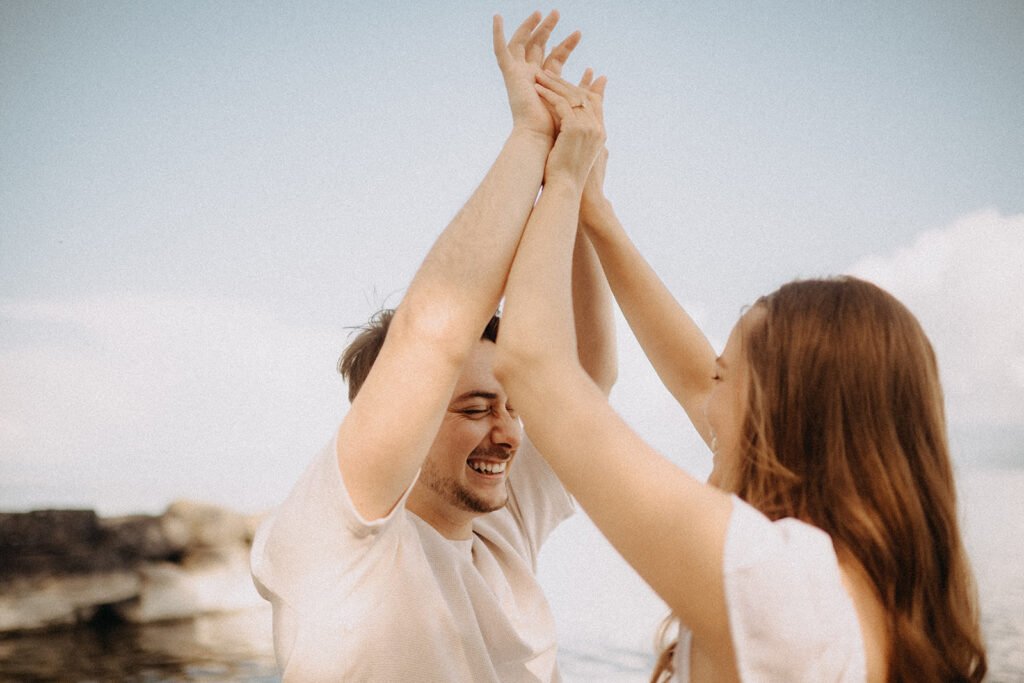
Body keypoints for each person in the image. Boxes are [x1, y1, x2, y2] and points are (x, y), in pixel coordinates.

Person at [494, 70, 987, 681]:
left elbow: (533, 365)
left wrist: (561, 176)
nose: (706, 396)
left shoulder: (777, 586)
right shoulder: (871, 581)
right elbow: (698, 380)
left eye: (728, 379)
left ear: (783, 415)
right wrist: (598, 215)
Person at [249, 12, 616, 681]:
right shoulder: (340, 542)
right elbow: (430, 332)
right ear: (405, 418)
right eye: (475, 407)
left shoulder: (500, 524)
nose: (506, 431)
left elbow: (584, 382)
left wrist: (582, 191)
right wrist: (532, 136)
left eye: (508, 406)